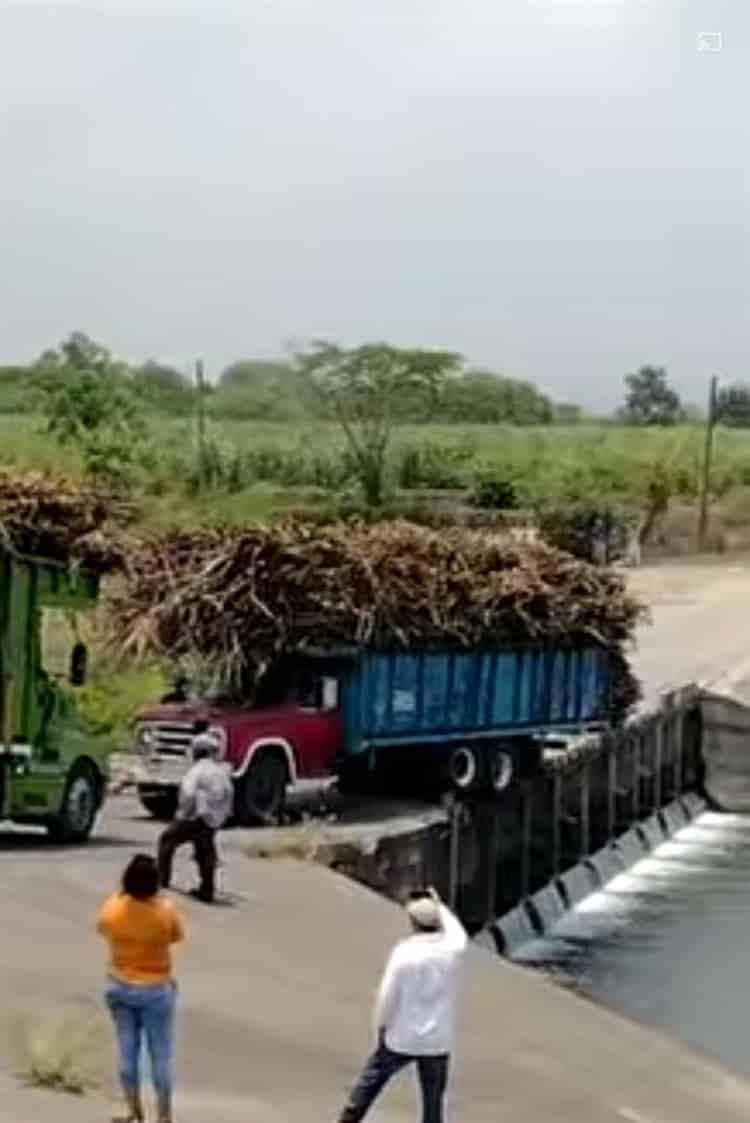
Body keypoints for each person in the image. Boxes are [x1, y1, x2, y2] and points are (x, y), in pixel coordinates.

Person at [338, 887, 468, 1123]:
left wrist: (380, 1026)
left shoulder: (405, 953)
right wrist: (439, 906)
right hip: (437, 1040)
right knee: (433, 1102)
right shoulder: (453, 949)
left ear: (412, 922)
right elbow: (457, 931)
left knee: (370, 1084)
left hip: (402, 1035)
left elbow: (388, 995)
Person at [97, 854, 184, 1123]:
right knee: (160, 1055)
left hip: (119, 984)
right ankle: (164, 1116)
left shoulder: (112, 909)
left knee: (127, 1050)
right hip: (156, 987)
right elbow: (176, 936)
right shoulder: (165, 912)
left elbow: (102, 929)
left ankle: (134, 1111)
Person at [157, 731, 234, 903]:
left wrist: (183, 813)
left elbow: (189, 794)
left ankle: (162, 879)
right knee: (205, 849)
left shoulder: (196, 771)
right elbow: (229, 795)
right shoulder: (221, 772)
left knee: (167, 840)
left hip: (196, 816)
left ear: (197, 752)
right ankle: (207, 890)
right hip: (214, 819)